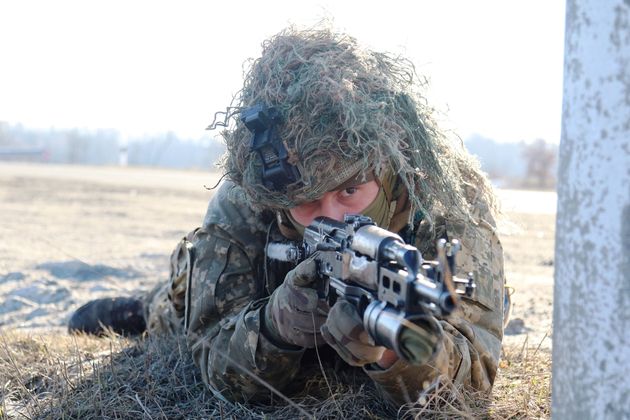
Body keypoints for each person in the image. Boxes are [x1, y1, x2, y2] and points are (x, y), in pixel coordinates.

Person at [68, 27, 506, 406]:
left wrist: (390, 354)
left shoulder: (448, 200)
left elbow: (470, 387)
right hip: (231, 302)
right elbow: (211, 354)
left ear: (388, 169)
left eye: (349, 191)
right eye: (307, 201)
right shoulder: (249, 194)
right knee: (175, 309)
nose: (330, 216)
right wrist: (276, 327)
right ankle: (149, 305)